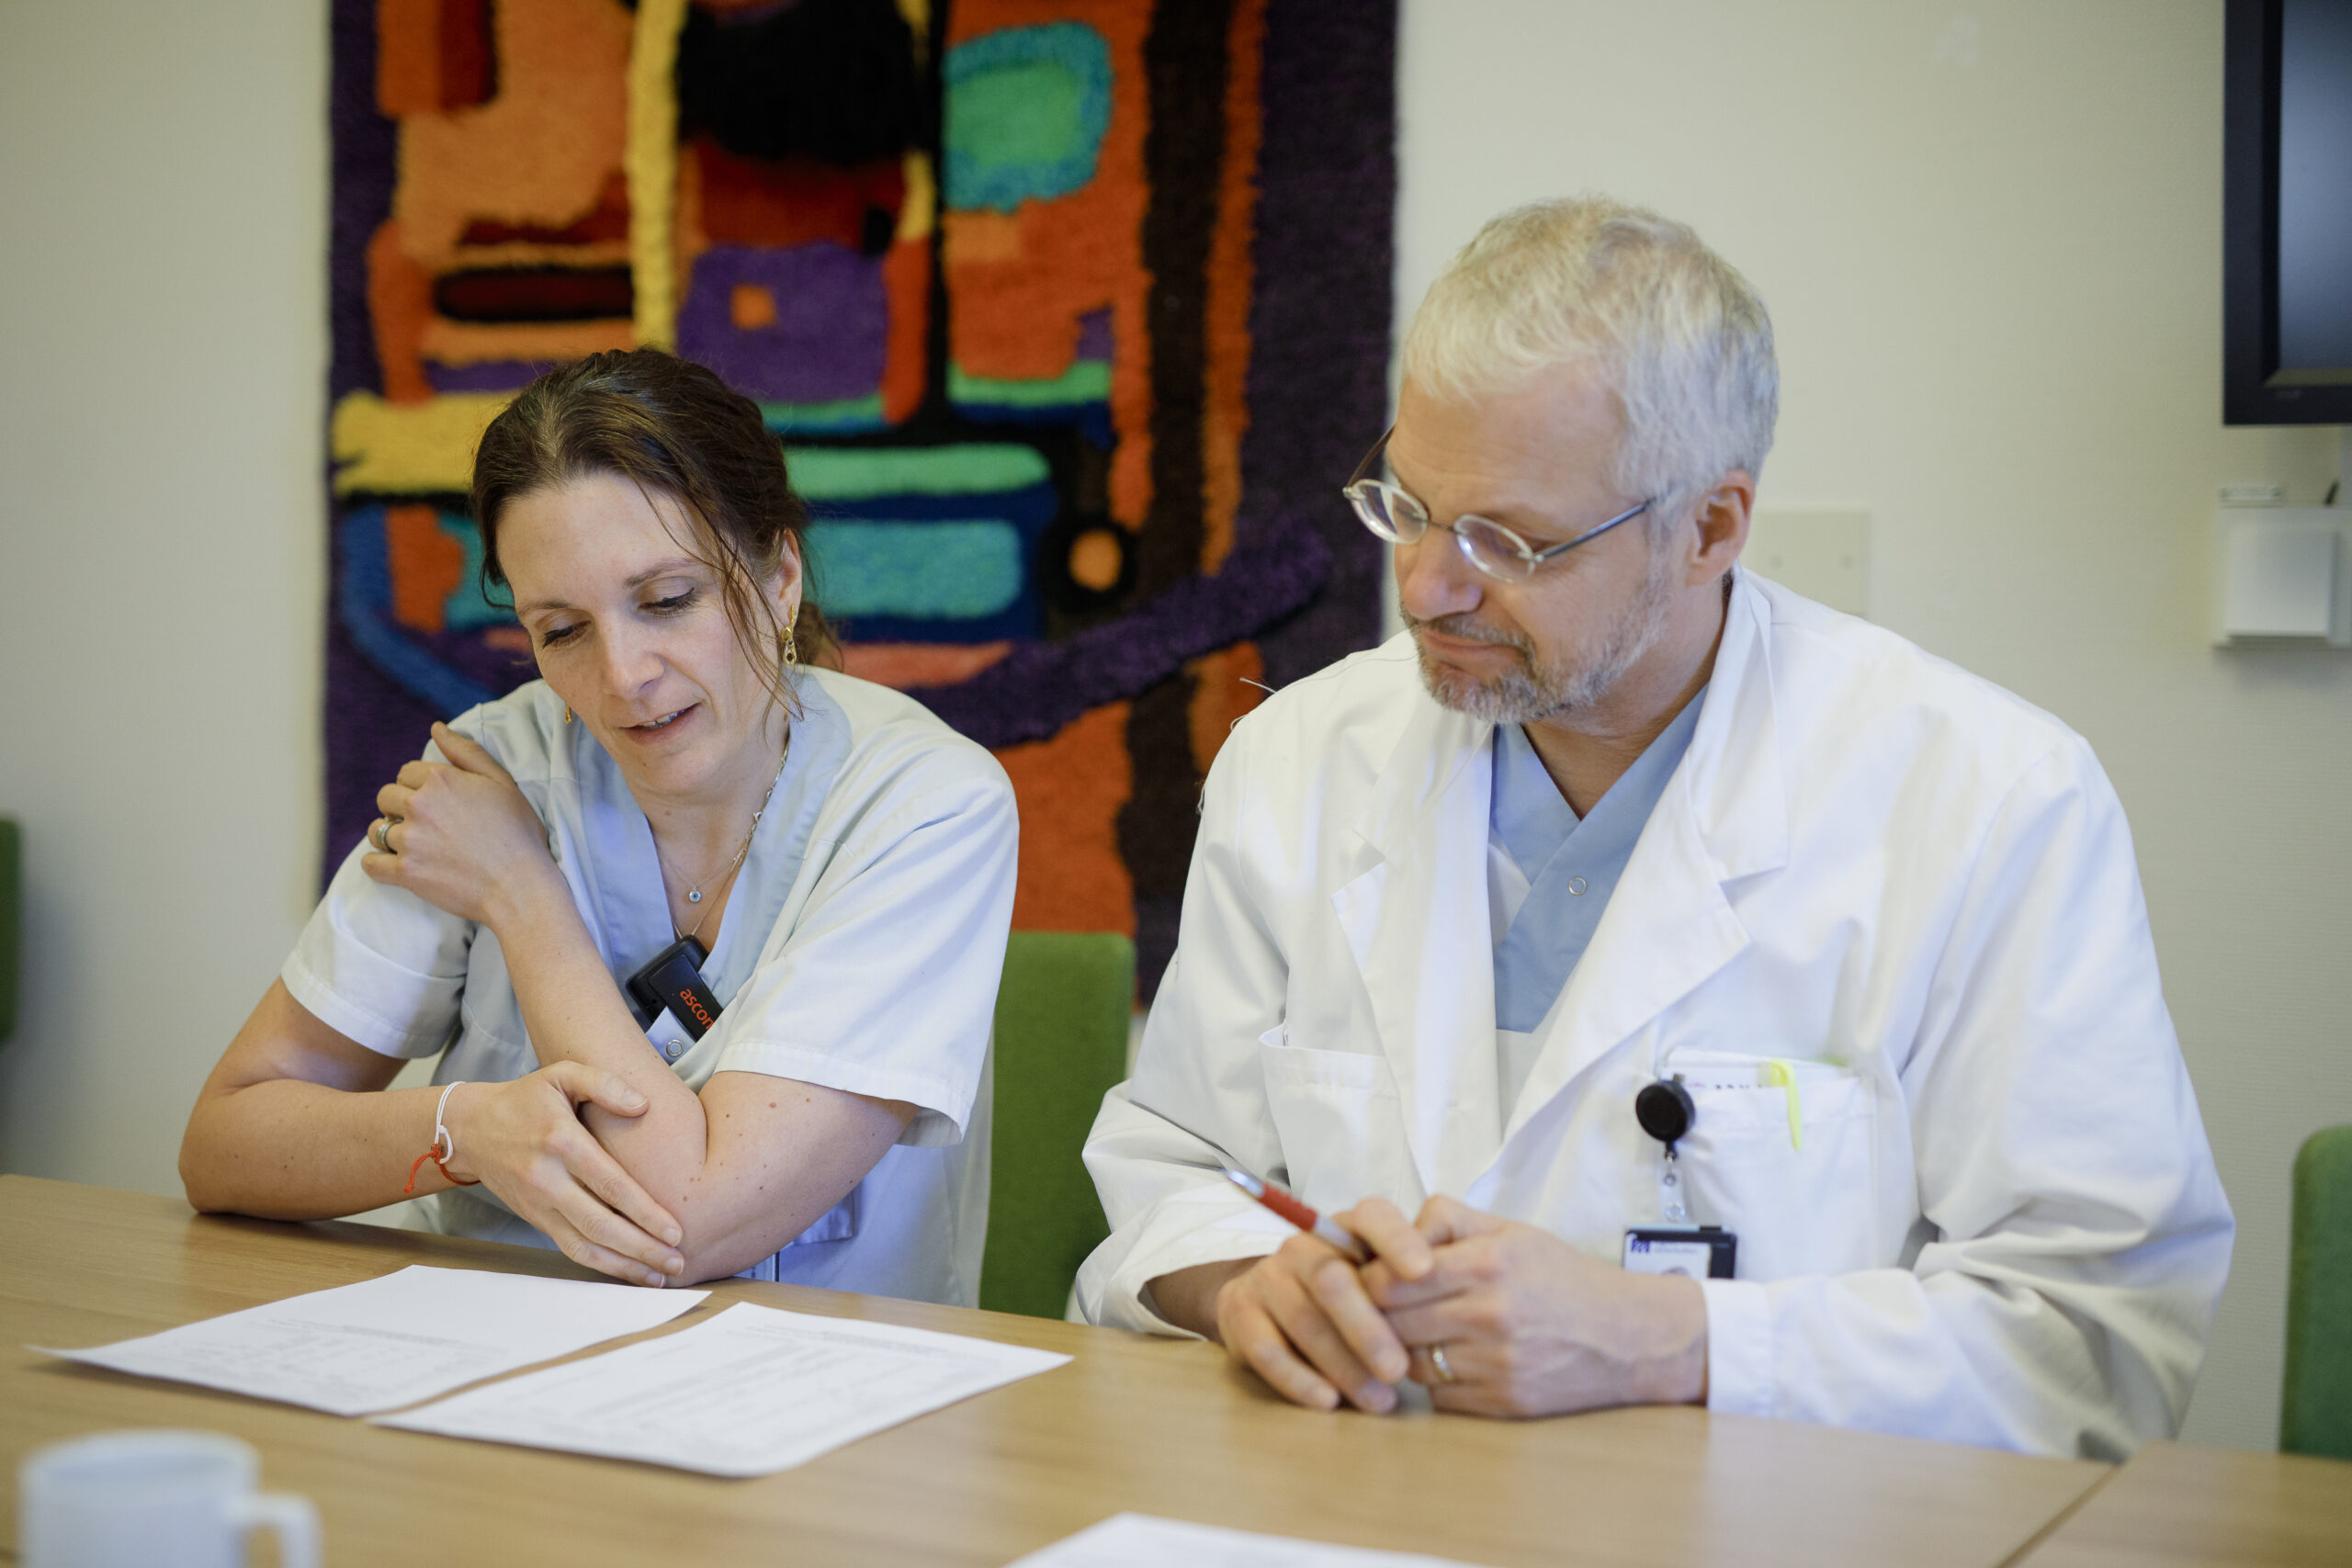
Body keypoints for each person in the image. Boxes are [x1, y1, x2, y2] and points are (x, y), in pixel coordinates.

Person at [1076, 197, 2233, 1459]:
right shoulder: (1301, 758)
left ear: (1709, 528)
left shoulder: (1990, 798)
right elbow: (1178, 1165)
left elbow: (2097, 1332)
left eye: (1508, 540)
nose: (1426, 587)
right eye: (1406, 507)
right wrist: (1249, 1281)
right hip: (1354, 1498)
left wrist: (1673, 1341)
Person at [181, 349, 1016, 1302]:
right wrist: (466, 1129)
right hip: (490, 1359)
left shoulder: (924, 805)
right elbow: (223, 1143)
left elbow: (687, 1224)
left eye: (668, 601)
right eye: (562, 630)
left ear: (780, 577)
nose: (623, 678)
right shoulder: (487, 775)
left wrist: (519, 892)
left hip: (825, 1378)